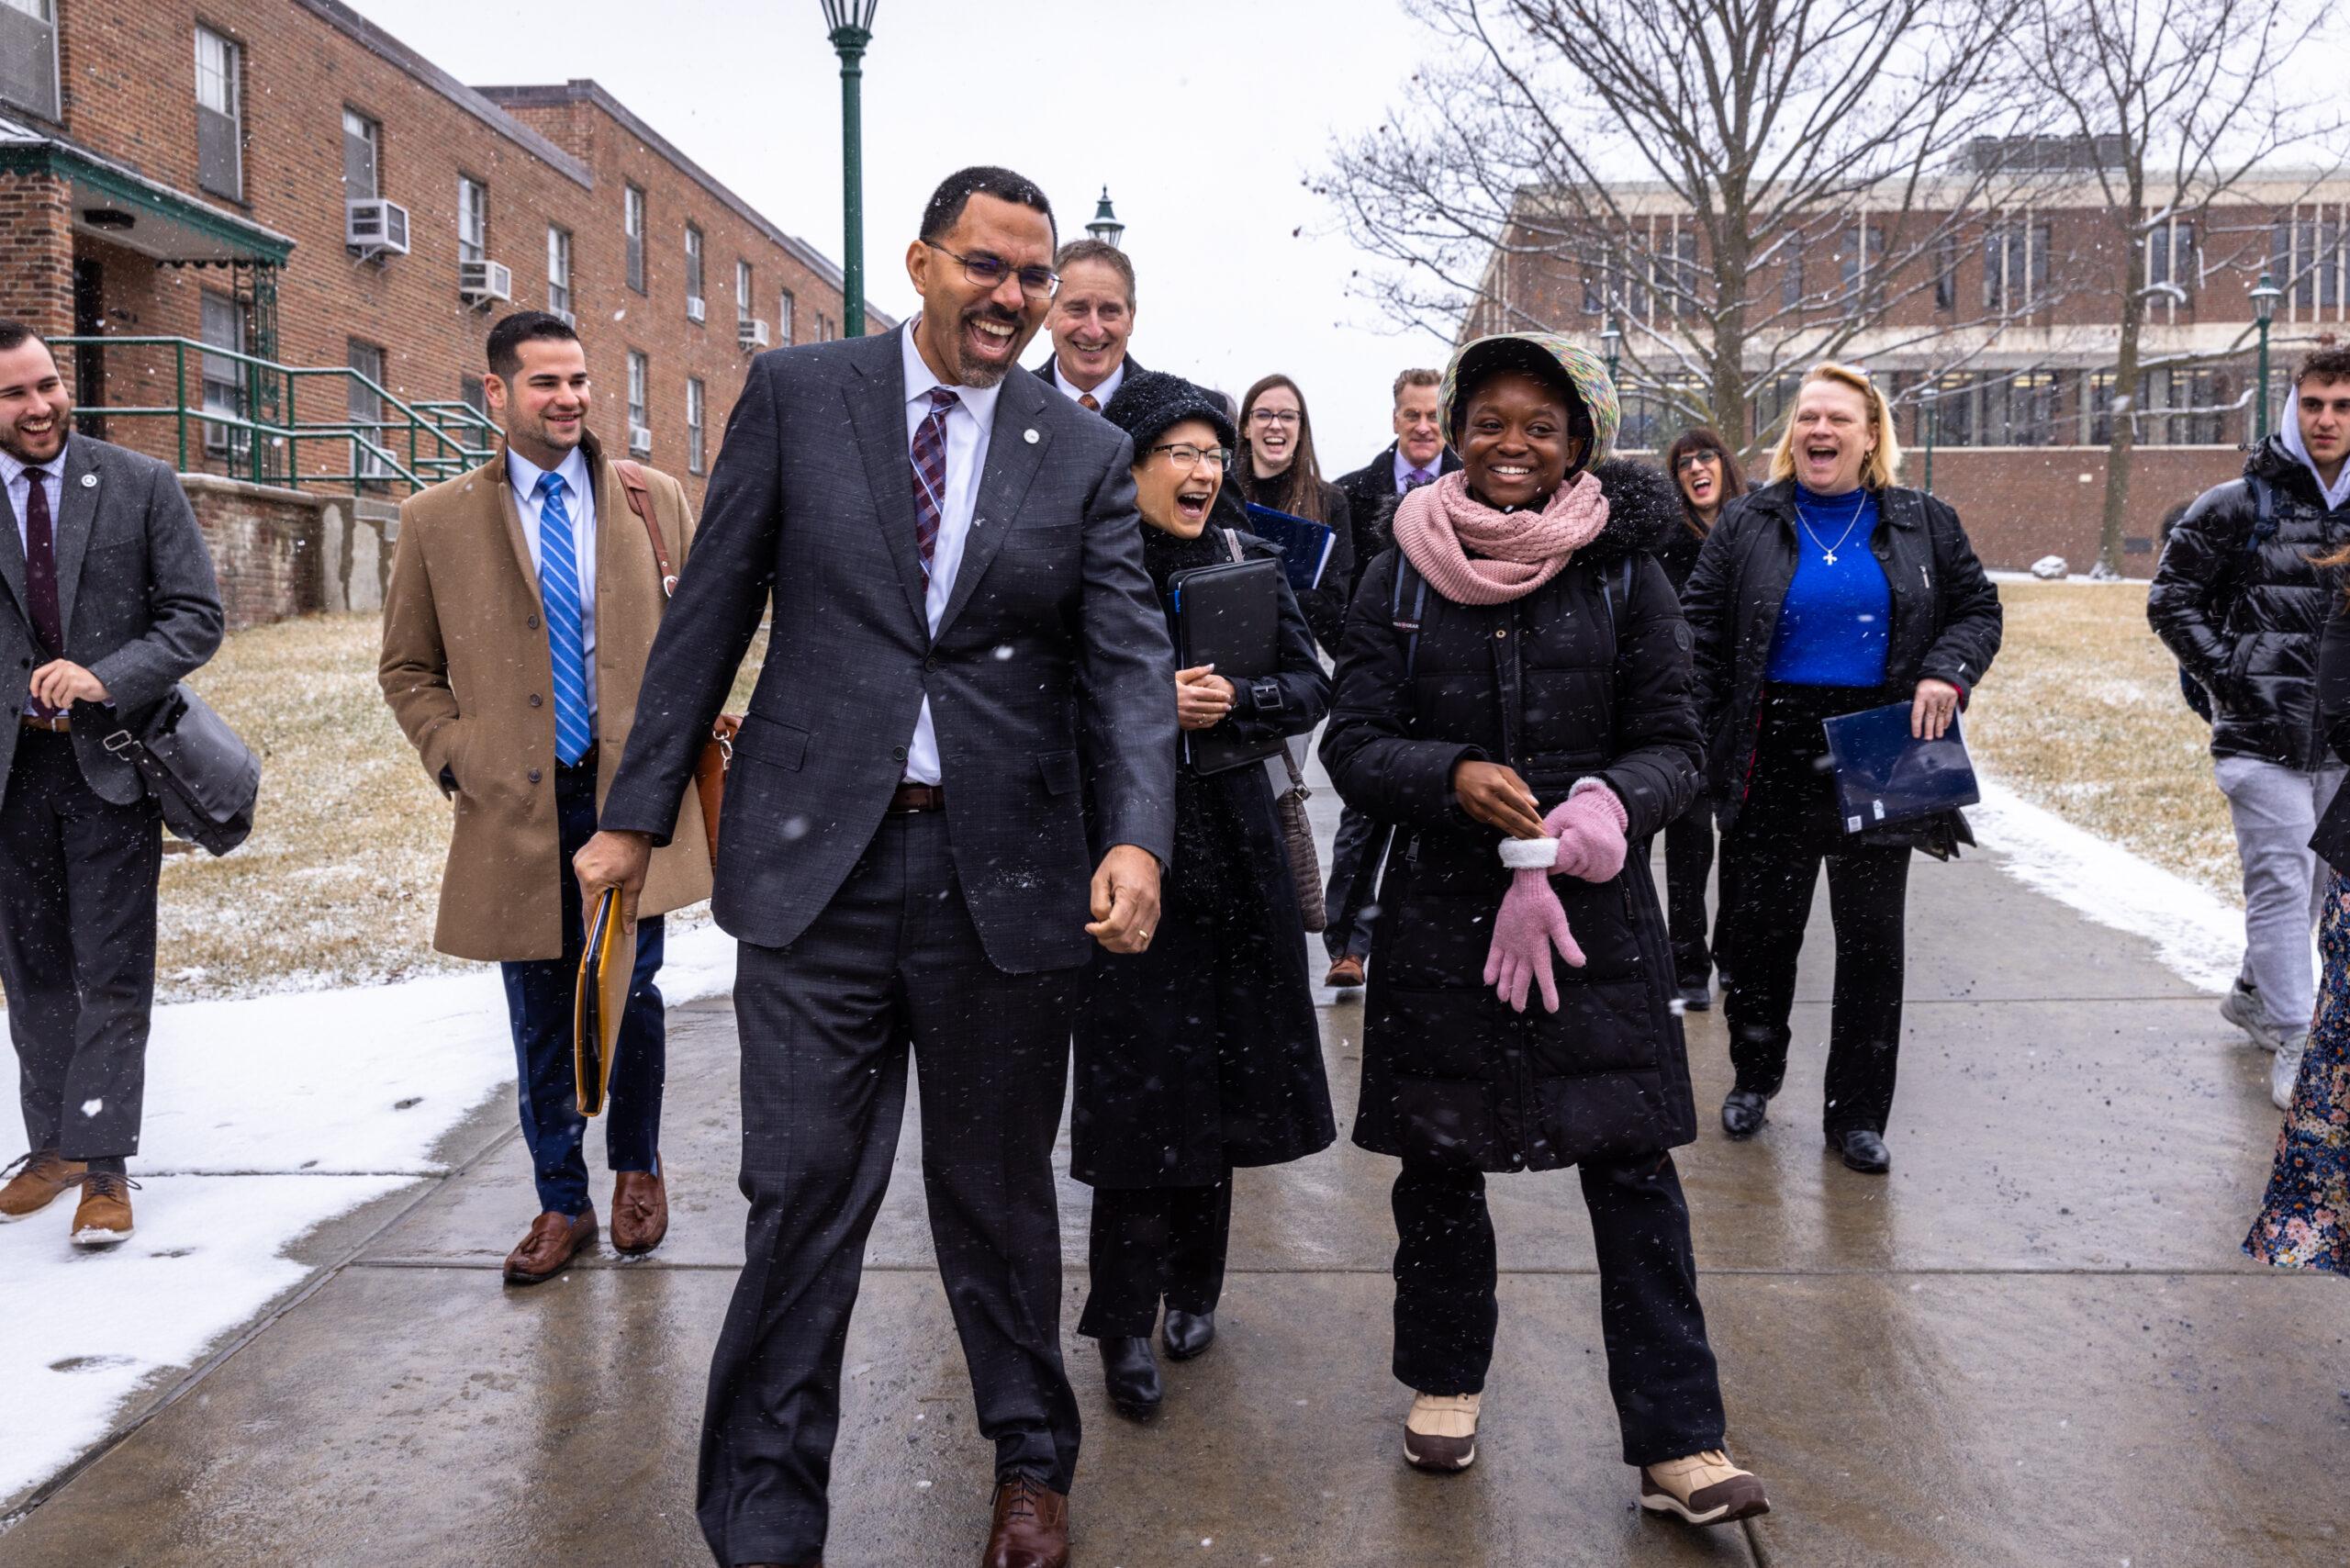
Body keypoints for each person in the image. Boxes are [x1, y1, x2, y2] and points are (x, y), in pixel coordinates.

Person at [573, 166, 1176, 1568]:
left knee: (997, 1200)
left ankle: (1031, 1465)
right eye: (987, 267)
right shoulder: (801, 395)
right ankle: (766, 1521)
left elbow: (1126, 664)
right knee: (799, 1203)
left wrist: (1137, 834)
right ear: (920, 263)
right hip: (817, 879)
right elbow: (712, 610)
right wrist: (635, 813)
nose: (1014, 298)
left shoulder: (1082, 452)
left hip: (1003, 886)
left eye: (1035, 277)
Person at [1322, 330, 1769, 1527]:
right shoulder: (1399, 572)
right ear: (1455, 433)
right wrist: (1448, 774)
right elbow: (1353, 743)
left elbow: (1676, 744)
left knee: (1632, 1172)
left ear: (1577, 444)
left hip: (1593, 919)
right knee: (1441, 1166)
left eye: (1539, 426)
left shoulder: (1627, 573)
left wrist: (1609, 803)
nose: (1510, 444)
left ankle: (1679, 1442)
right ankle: (1445, 1380)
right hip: (1443, 916)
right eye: (1489, 421)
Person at [378, 310, 710, 1284]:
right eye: (545, 383)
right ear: (497, 393)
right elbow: (407, 667)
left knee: (629, 991)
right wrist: (458, 755)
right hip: (514, 804)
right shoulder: (436, 520)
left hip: (628, 794)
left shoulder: (652, 499)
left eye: (579, 381)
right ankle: (561, 1198)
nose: (569, 399)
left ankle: (637, 1168)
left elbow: (699, 639)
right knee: (536, 1006)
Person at [1073, 371, 1336, 1417]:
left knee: (1220, 1080)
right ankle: (1119, 1316)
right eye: (1179, 453)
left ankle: (1195, 1289)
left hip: (1237, 850)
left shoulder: (1242, 555)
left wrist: (1243, 698)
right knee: (1141, 1086)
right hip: (1131, 856)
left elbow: (1312, 683)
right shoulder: (1090, 568)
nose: (1203, 471)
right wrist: (1148, 701)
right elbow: (1042, 701)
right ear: (1131, 466)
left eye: (1212, 454)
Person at [1681, 363, 2001, 1174]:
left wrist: (1946, 673)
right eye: (1807, 417)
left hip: (1883, 739)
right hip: (1772, 741)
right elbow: (1699, 632)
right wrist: (1695, 735)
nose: (1819, 430)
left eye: (1838, 419)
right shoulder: (1748, 521)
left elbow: (1977, 609)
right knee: (1762, 935)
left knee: (1872, 945)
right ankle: (1754, 1077)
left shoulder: (1924, 520)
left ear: (1870, 435)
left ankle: (1857, 1114)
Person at [0, 319, 223, 1248]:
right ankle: (51, 1146)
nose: (41, 405)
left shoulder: (138, 483)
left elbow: (196, 617)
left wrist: (105, 676)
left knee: (112, 966)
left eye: (48, 384)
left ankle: (103, 1165)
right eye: (16, 393)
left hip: (113, 763)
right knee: (31, 968)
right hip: (10, 774)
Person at [2152, 345, 2350, 1108]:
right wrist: (2233, 676)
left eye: (2342, 406)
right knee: (2281, 883)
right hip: (2259, 739)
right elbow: (2171, 600)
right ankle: (2300, 1041)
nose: (2326, 419)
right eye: (2313, 404)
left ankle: (2252, 993)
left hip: (2341, 743)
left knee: (2319, 890)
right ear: (2293, 409)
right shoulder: (2237, 503)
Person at [1323, 368, 1463, 989]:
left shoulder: (1471, 485)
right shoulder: (1354, 493)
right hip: (1378, 670)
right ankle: (1347, 946)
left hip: (1451, 670)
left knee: (1446, 807)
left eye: (1433, 415)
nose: (1424, 426)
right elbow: (1337, 590)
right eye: (1413, 415)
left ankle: (1438, 945)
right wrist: (1361, 653)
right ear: (1395, 419)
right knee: (1365, 809)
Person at [1653, 427, 1748, 1010]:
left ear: (1724, 464)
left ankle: (1734, 955)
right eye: (1683, 462)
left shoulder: (1757, 528)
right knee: (1688, 843)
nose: (1695, 467)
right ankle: (1687, 964)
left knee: (1742, 838)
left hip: (1748, 710)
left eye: (1704, 456)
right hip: (1686, 705)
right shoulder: (1666, 541)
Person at [1234, 374, 1353, 655]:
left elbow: (1333, 602)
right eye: (1263, 414)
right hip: (1232, 645)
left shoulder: (1330, 501)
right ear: (1246, 428)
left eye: (1287, 416)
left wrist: (1257, 596)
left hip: (1298, 652)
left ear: (1301, 427)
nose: (1275, 425)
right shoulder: (1224, 495)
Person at [1031, 238, 1139, 410]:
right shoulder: (1009, 405)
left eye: (1109, 311)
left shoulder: (1174, 412)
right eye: (1077, 309)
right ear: (1047, 312)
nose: (1094, 331)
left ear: (1131, 318)